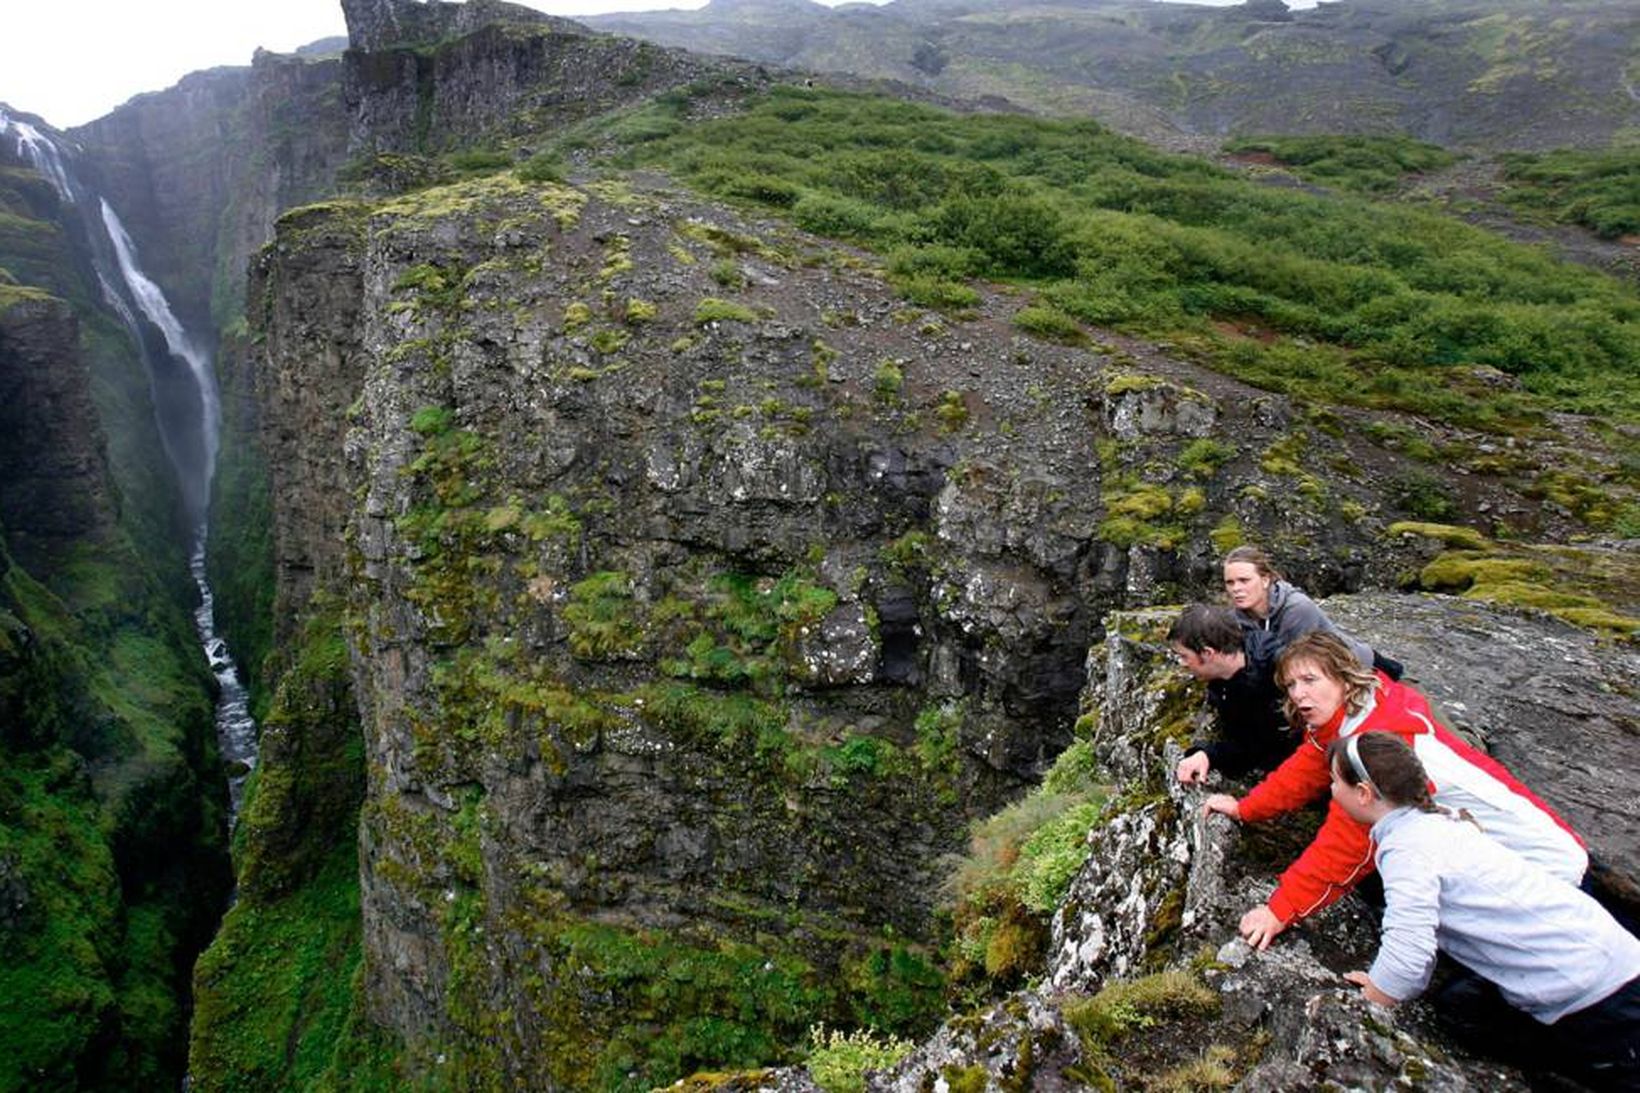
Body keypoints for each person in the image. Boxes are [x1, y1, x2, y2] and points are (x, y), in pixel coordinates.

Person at [1203, 631, 1586, 951]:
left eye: (1310, 680)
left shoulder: (1378, 745)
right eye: (1290, 685)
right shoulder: (1357, 712)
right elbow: (1306, 769)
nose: (1299, 694)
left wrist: (1279, 909)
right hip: (1517, 856)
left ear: (1343, 678)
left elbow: (1347, 843)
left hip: (1544, 874)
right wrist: (1246, 808)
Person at [1331, 732, 1640, 1090]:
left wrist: (1370, 1001)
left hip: (1595, 992)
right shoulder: (1439, 822)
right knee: (1462, 1009)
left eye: (1335, 781)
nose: (1332, 789)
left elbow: (1409, 949)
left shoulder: (1407, 848)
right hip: (1603, 961)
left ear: (1364, 794)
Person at [1222, 545, 1399, 678]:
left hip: (1359, 667)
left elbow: (1296, 666)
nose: (1236, 588)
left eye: (1244, 580)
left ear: (1265, 580)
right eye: (1230, 583)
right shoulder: (1234, 618)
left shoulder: (1297, 609)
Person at [1168, 604, 1296, 785]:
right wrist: (1206, 755)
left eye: (1183, 656)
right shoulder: (1224, 683)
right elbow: (1249, 746)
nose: (1181, 663)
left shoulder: (1283, 670)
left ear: (1207, 653)